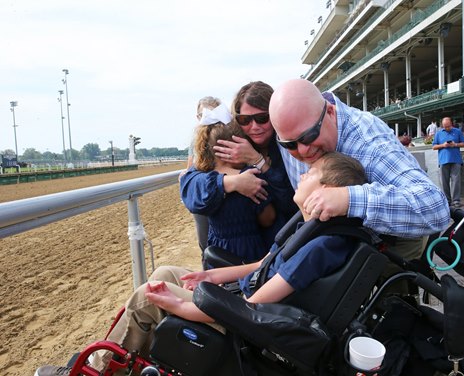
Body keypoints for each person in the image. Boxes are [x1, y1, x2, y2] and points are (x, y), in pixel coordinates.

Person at [35, 152, 367, 376]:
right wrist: (209, 274)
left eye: (310, 173)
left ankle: (99, 369)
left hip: (246, 324)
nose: (302, 176)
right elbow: (262, 265)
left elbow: (250, 309)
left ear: (327, 190)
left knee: (145, 299)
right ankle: (115, 361)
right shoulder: (310, 229)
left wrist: (179, 304)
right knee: (165, 272)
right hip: (241, 301)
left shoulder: (319, 247)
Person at [268, 79, 450, 263]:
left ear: (330, 113)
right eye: (289, 144)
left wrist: (348, 199)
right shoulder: (295, 127)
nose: (303, 151)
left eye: (309, 136)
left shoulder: (369, 144)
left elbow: (435, 208)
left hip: (393, 243)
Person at [180, 81, 297, 256]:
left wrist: (258, 161)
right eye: (245, 120)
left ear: (274, 116)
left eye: (262, 118)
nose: (254, 126)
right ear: (236, 120)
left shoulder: (290, 146)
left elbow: (291, 202)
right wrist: (231, 182)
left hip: (281, 246)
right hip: (239, 252)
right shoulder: (230, 142)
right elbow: (191, 183)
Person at [185, 96, 224, 255]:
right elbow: (190, 166)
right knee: (204, 241)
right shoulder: (195, 139)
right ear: (198, 117)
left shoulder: (224, 133)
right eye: (203, 115)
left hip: (222, 188)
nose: (207, 119)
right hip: (203, 190)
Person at [432, 116, 464, 208]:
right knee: (444, 182)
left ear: (451, 124)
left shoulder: (457, 131)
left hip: (456, 160)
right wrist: (443, 145)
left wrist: (455, 144)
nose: (447, 128)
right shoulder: (438, 134)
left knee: (456, 181)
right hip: (443, 160)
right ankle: (447, 200)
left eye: (448, 126)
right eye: (445, 126)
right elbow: (434, 147)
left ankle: (456, 201)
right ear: (442, 126)